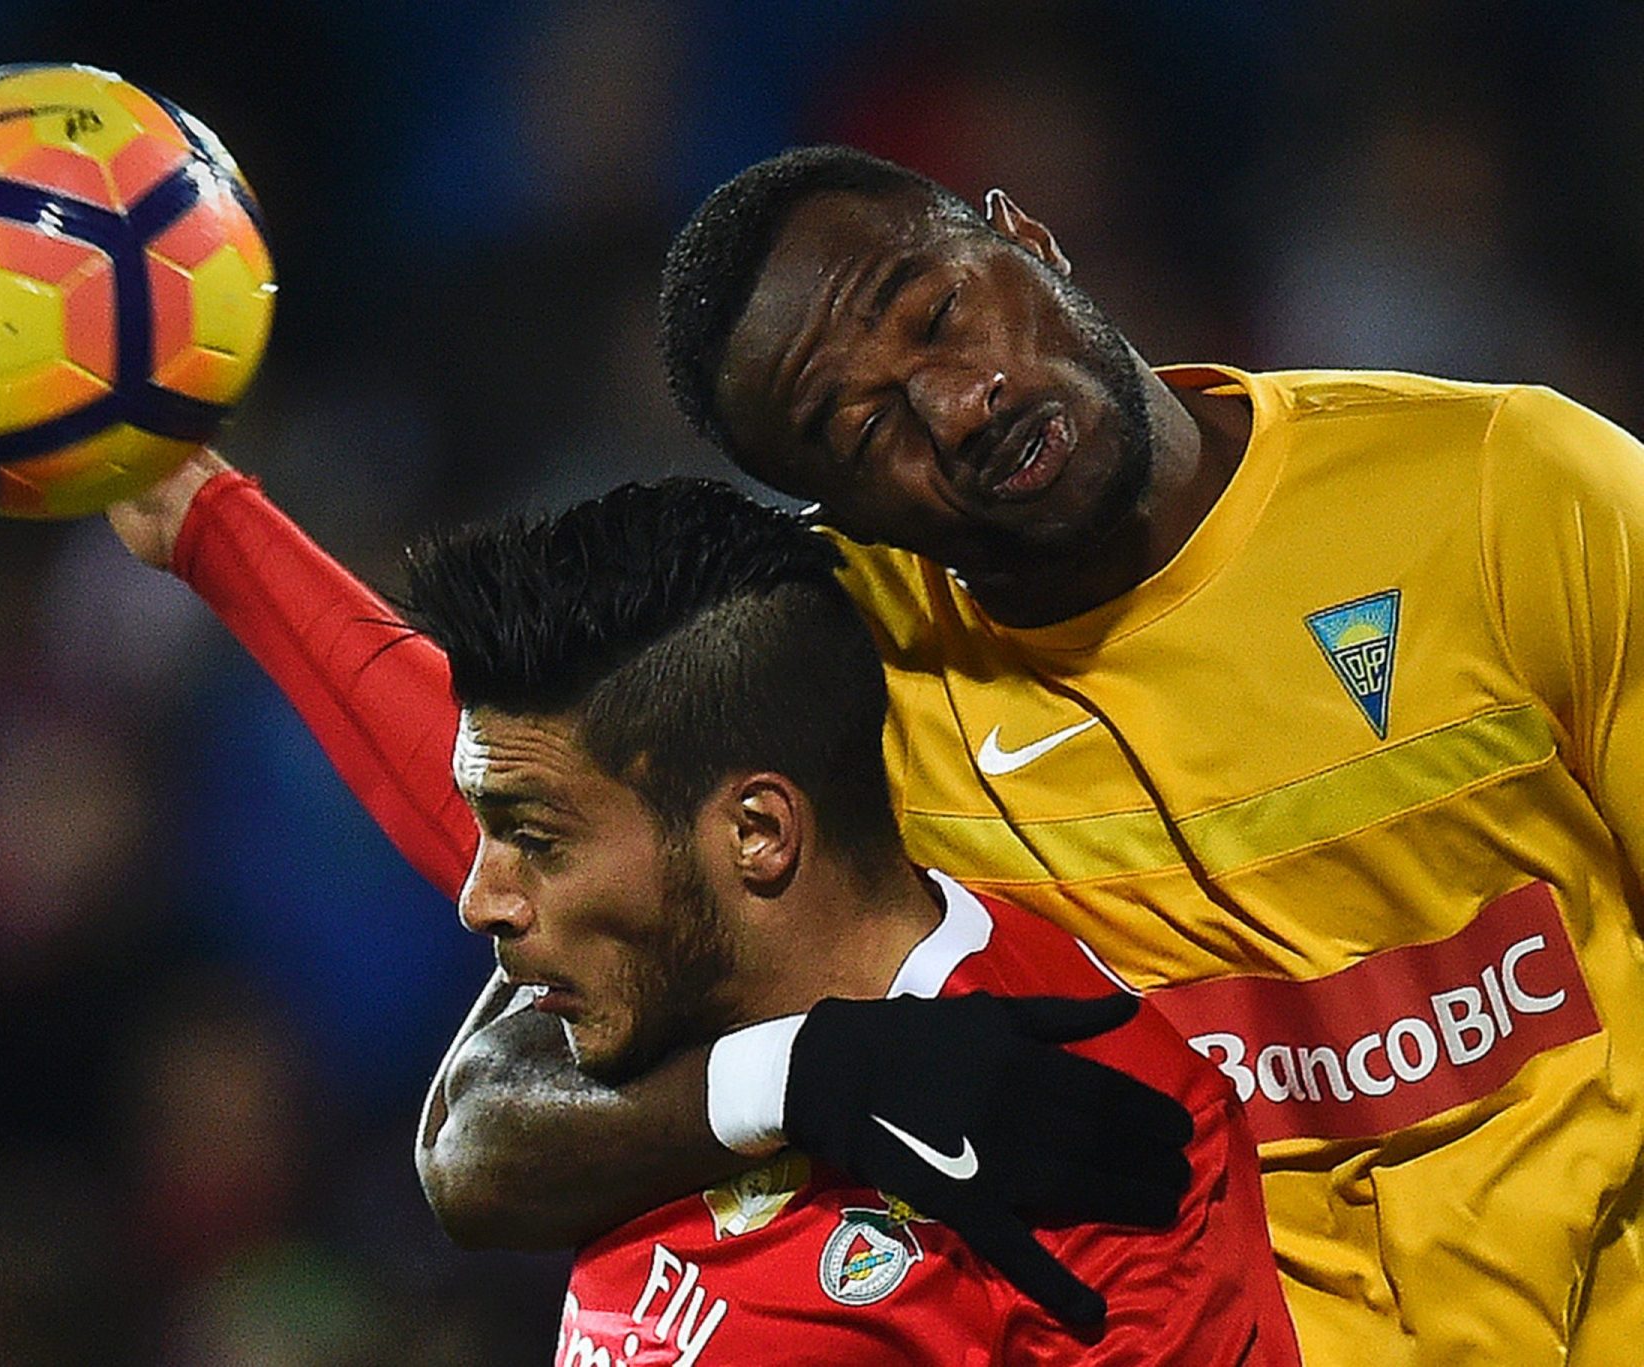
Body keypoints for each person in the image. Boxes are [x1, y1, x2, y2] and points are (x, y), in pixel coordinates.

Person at [109, 142, 1644, 1361]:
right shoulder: (856, 673)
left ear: (1022, 236)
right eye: (862, 426)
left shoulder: (1512, 491)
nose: (963, 400)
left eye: (939, 310)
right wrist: (209, 524)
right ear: (836, 507)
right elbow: (497, 1005)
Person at [399, 476, 1298, 1363]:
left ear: (758, 833)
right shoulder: (656, 981)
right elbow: (467, 1136)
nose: (481, 899)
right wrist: (798, 1075)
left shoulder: (1093, 1136)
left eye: (535, 840)